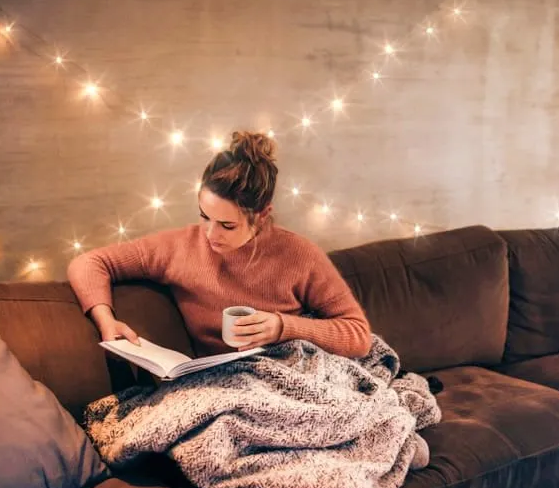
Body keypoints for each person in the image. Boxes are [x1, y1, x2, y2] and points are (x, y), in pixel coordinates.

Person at [67, 130, 372, 358]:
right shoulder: (179, 247)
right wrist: (106, 320)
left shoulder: (300, 256)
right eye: (204, 217)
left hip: (291, 374)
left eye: (227, 225)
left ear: (262, 215)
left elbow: (359, 336)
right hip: (221, 385)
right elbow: (89, 263)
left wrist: (283, 327)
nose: (211, 234)